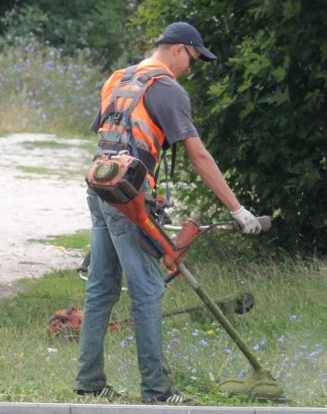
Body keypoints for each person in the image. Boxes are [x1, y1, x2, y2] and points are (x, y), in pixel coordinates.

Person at [74, 21, 262, 405]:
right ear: (177, 49)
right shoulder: (167, 89)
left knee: (101, 287)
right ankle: (158, 393)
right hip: (129, 196)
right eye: (193, 58)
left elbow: (107, 132)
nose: (191, 67)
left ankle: (90, 381)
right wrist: (238, 210)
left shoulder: (118, 79)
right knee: (146, 290)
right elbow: (199, 154)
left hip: (99, 186)